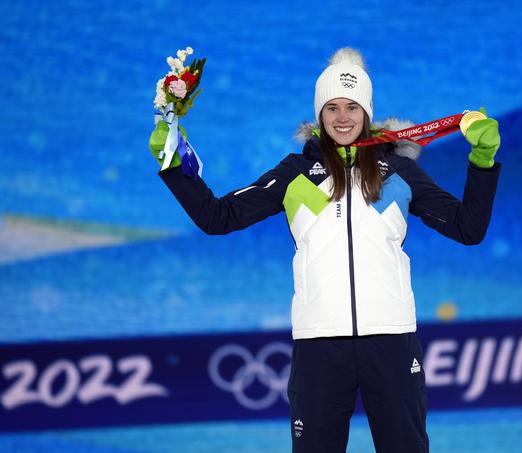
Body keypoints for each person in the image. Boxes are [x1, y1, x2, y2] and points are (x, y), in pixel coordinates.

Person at [149, 47, 501, 453]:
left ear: (367, 111)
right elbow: (218, 218)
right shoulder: (295, 175)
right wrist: (174, 165)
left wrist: (482, 162)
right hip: (319, 347)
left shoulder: (398, 172)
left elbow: (468, 228)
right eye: (332, 107)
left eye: (352, 106)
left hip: (390, 342)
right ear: (319, 114)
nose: (342, 117)